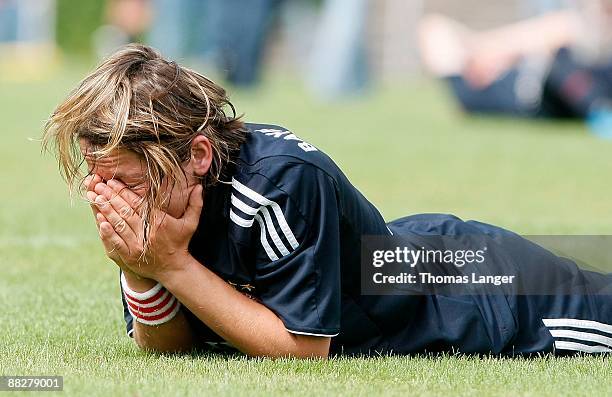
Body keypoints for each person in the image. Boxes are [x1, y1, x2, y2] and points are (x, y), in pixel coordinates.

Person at [43, 44, 612, 358]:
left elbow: (302, 351)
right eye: (100, 181)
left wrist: (169, 264)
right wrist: (140, 270)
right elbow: (170, 349)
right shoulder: (157, 207)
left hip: (477, 297)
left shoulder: (280, 181)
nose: (109, 198)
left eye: (129, 183)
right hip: (403, 258)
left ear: (196, 155)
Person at [418, 1, 612, 137]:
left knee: (563, 36)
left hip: (571, 86)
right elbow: (432, 29)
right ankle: (600, 114)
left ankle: (600, 112)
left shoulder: (486, 69)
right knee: (561, 46)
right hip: (543, 97)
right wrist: (488, 51)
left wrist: (492, 51)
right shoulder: (468, 90)